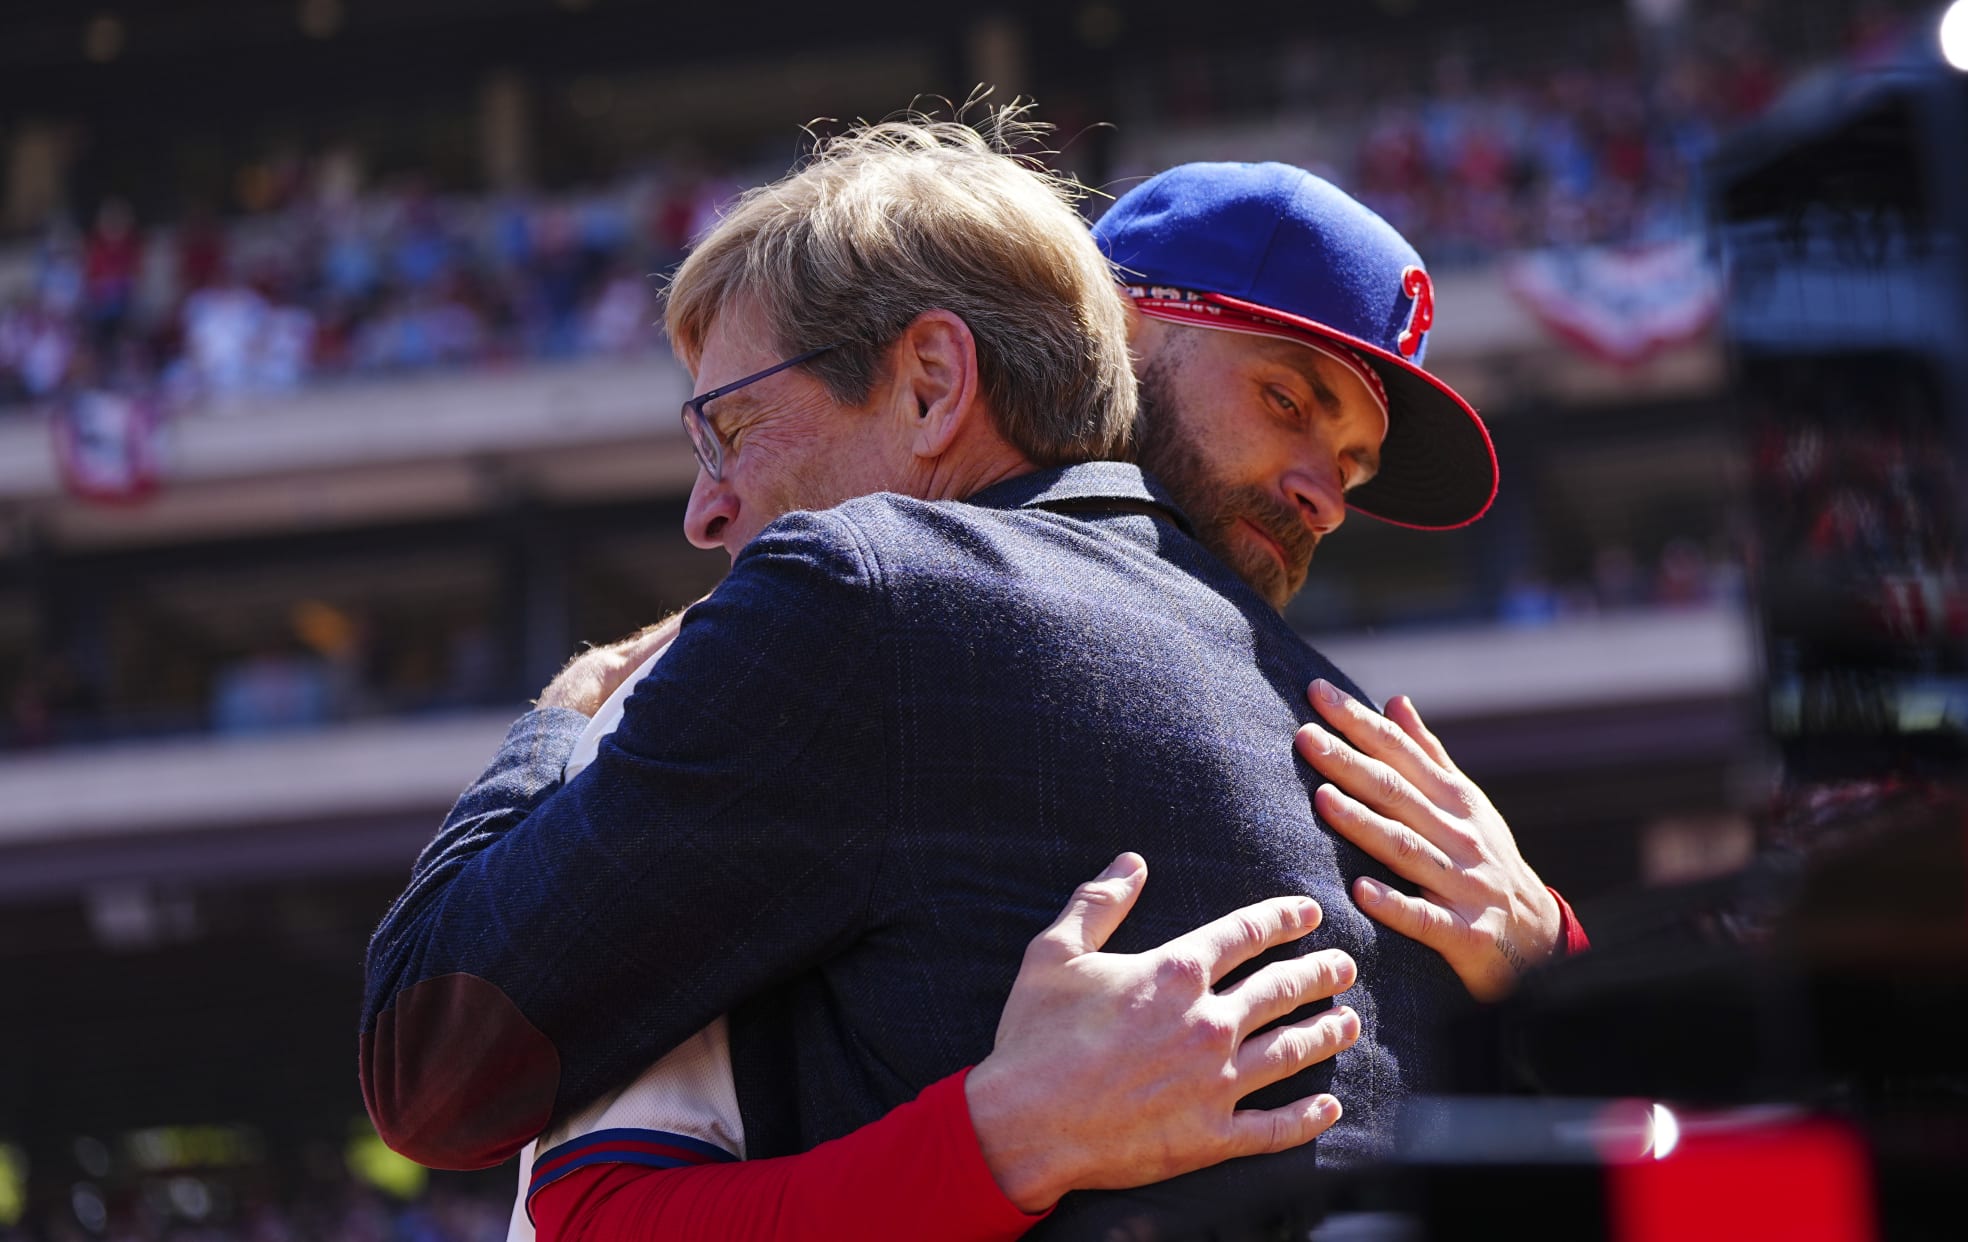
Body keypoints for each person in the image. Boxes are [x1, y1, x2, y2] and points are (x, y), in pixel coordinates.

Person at [363, 125, 1580, 1241]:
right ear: (1114, 335)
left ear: (940, 380)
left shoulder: (853, 596)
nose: (1324, 490)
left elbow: (456, 1090)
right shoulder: (1366, 756)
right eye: (1284, 400)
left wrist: (572, 707)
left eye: (730, 428)